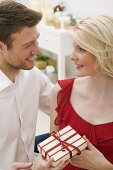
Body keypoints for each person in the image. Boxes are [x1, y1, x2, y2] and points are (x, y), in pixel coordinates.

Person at [50, 15, 113, 170]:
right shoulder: (61, 92)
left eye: (82, 49)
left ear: (104, 52)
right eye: (74, 48)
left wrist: (104, 167)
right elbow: (53, 156)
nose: (72, 56)